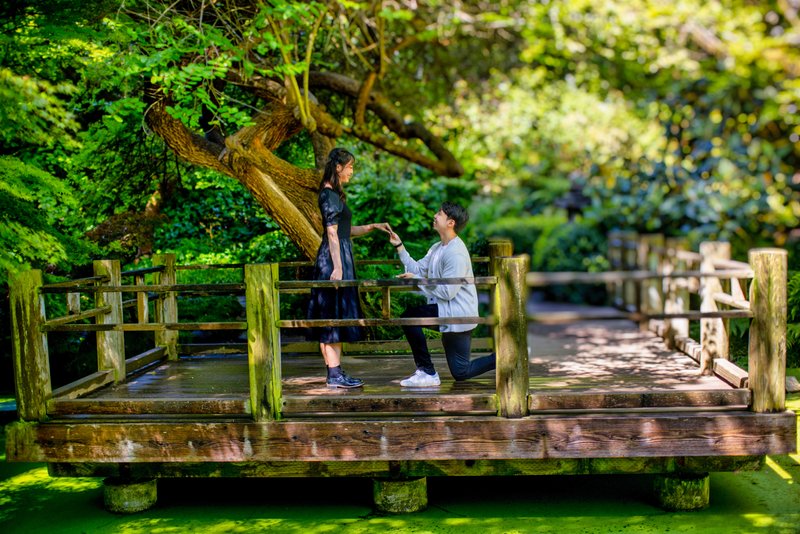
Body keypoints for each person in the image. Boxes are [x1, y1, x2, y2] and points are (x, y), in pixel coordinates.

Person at [307, 148, 391, 388]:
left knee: (334, 315)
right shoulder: (328, 194)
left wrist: (372, 227)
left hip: (338, 256)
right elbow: (332, 233)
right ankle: (334, 375)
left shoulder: (334, 195)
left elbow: (344, 231)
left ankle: (335, 373)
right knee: (333, 315)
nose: (352, 171)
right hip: (334, 260)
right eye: (350, 166)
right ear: (338, 167)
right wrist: (338, 268)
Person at [388, 201, 495, 387]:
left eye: (439, 213)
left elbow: (447, 292)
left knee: (409, 318)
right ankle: (506, 355)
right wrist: (399, 246)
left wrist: (418, 280)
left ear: (450, 222)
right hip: (448, 313)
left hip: (458, 314)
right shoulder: (438, 248)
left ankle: (427, 371)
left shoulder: (456, 253)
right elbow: (418, 268)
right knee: (461, 372)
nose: (435, 216)